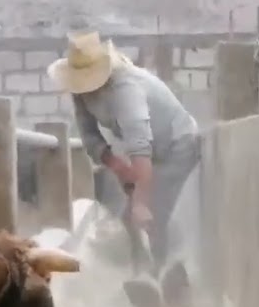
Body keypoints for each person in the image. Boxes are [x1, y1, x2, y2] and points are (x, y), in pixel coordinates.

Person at [46, 31, 201, 292]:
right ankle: (146, 275)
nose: (83, 88)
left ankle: (169, 276)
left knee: (153, 212)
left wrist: (141, 200)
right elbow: (89, 135)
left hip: (177, 145)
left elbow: (141, 145)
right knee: (129, 216)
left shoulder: (126, 88)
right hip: (147, 152)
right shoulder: (80, 92)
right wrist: (117, 166)